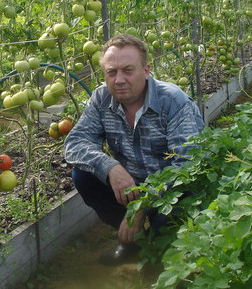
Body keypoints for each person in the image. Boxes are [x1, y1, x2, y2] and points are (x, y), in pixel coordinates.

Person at [64, 33, 204, 265]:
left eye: (128, 70)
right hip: (131, 184)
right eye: (111, 72)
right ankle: (133, 243)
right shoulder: (101, 99)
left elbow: (187, 164)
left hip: (174, 189)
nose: (119, 79)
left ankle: (166, 251)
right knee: (83, 175)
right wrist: (111, 168)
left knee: (164, 224)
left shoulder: (172, 101)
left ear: (146, 70)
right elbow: (75, 143)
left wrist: (141, 208)